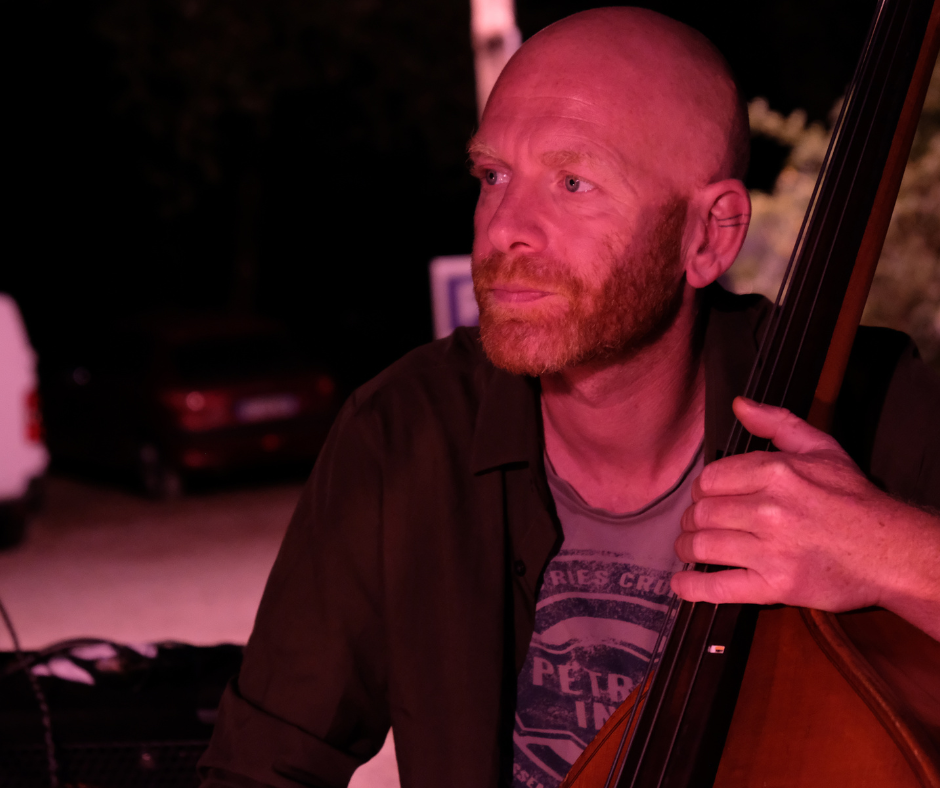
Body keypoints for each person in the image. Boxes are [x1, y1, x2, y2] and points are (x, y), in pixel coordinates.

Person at [199, 7, 940, 788]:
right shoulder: (405, 430)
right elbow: (259, 769)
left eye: (573, 182)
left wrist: (889, 553)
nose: (504, 230)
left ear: (709, 236)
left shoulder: (866, 404)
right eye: (493, 177)